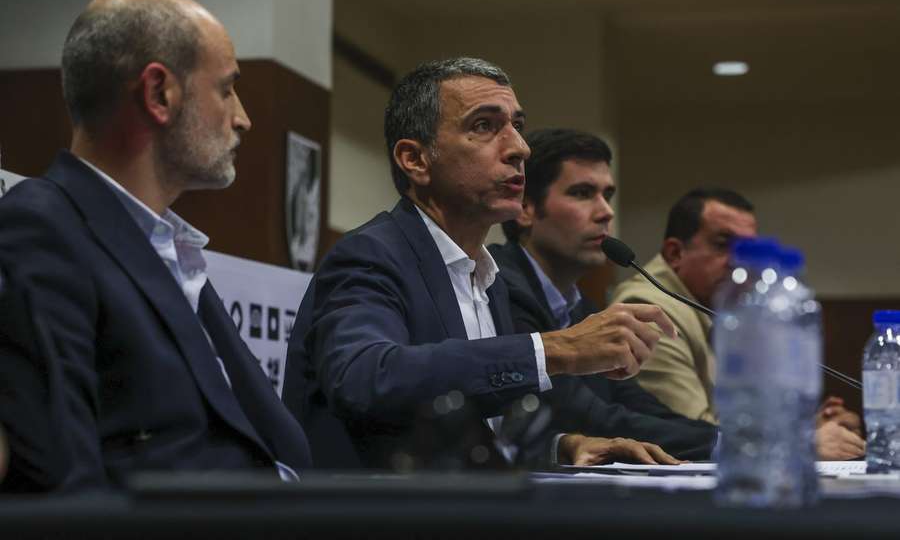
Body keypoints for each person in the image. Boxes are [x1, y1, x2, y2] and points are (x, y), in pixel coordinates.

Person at [283, 57, 677, 469]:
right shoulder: (370, 255)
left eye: (517, 126)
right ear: (415, 160)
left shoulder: (489, 279)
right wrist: (555, 348)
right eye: (484, 126)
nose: (520, 148)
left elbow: (470, 420)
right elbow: (367, 378)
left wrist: (562, 446)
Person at [0, 0, 310, 492]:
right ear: (159, 94)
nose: (243, 118)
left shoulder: (169, 250)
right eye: (227, 88)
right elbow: (64, 490)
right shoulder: (41, 230)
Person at [489, 128, 718, 461]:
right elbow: (588, 415)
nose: (605, 212)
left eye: (606, 195)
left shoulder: (581, 306)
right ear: (525, 208)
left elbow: (635, 404)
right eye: (582, 193)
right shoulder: (500, 287)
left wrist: (732, 442)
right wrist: (734, 447)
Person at [610, 187, 865, 459]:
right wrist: (800, 439)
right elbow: (691, 428)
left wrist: (810, 426)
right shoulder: (650, 308)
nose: (738, 262)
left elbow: (739, 416)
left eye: (745, 249)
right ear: (675, 253)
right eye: (722, 245)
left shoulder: (720, 307)